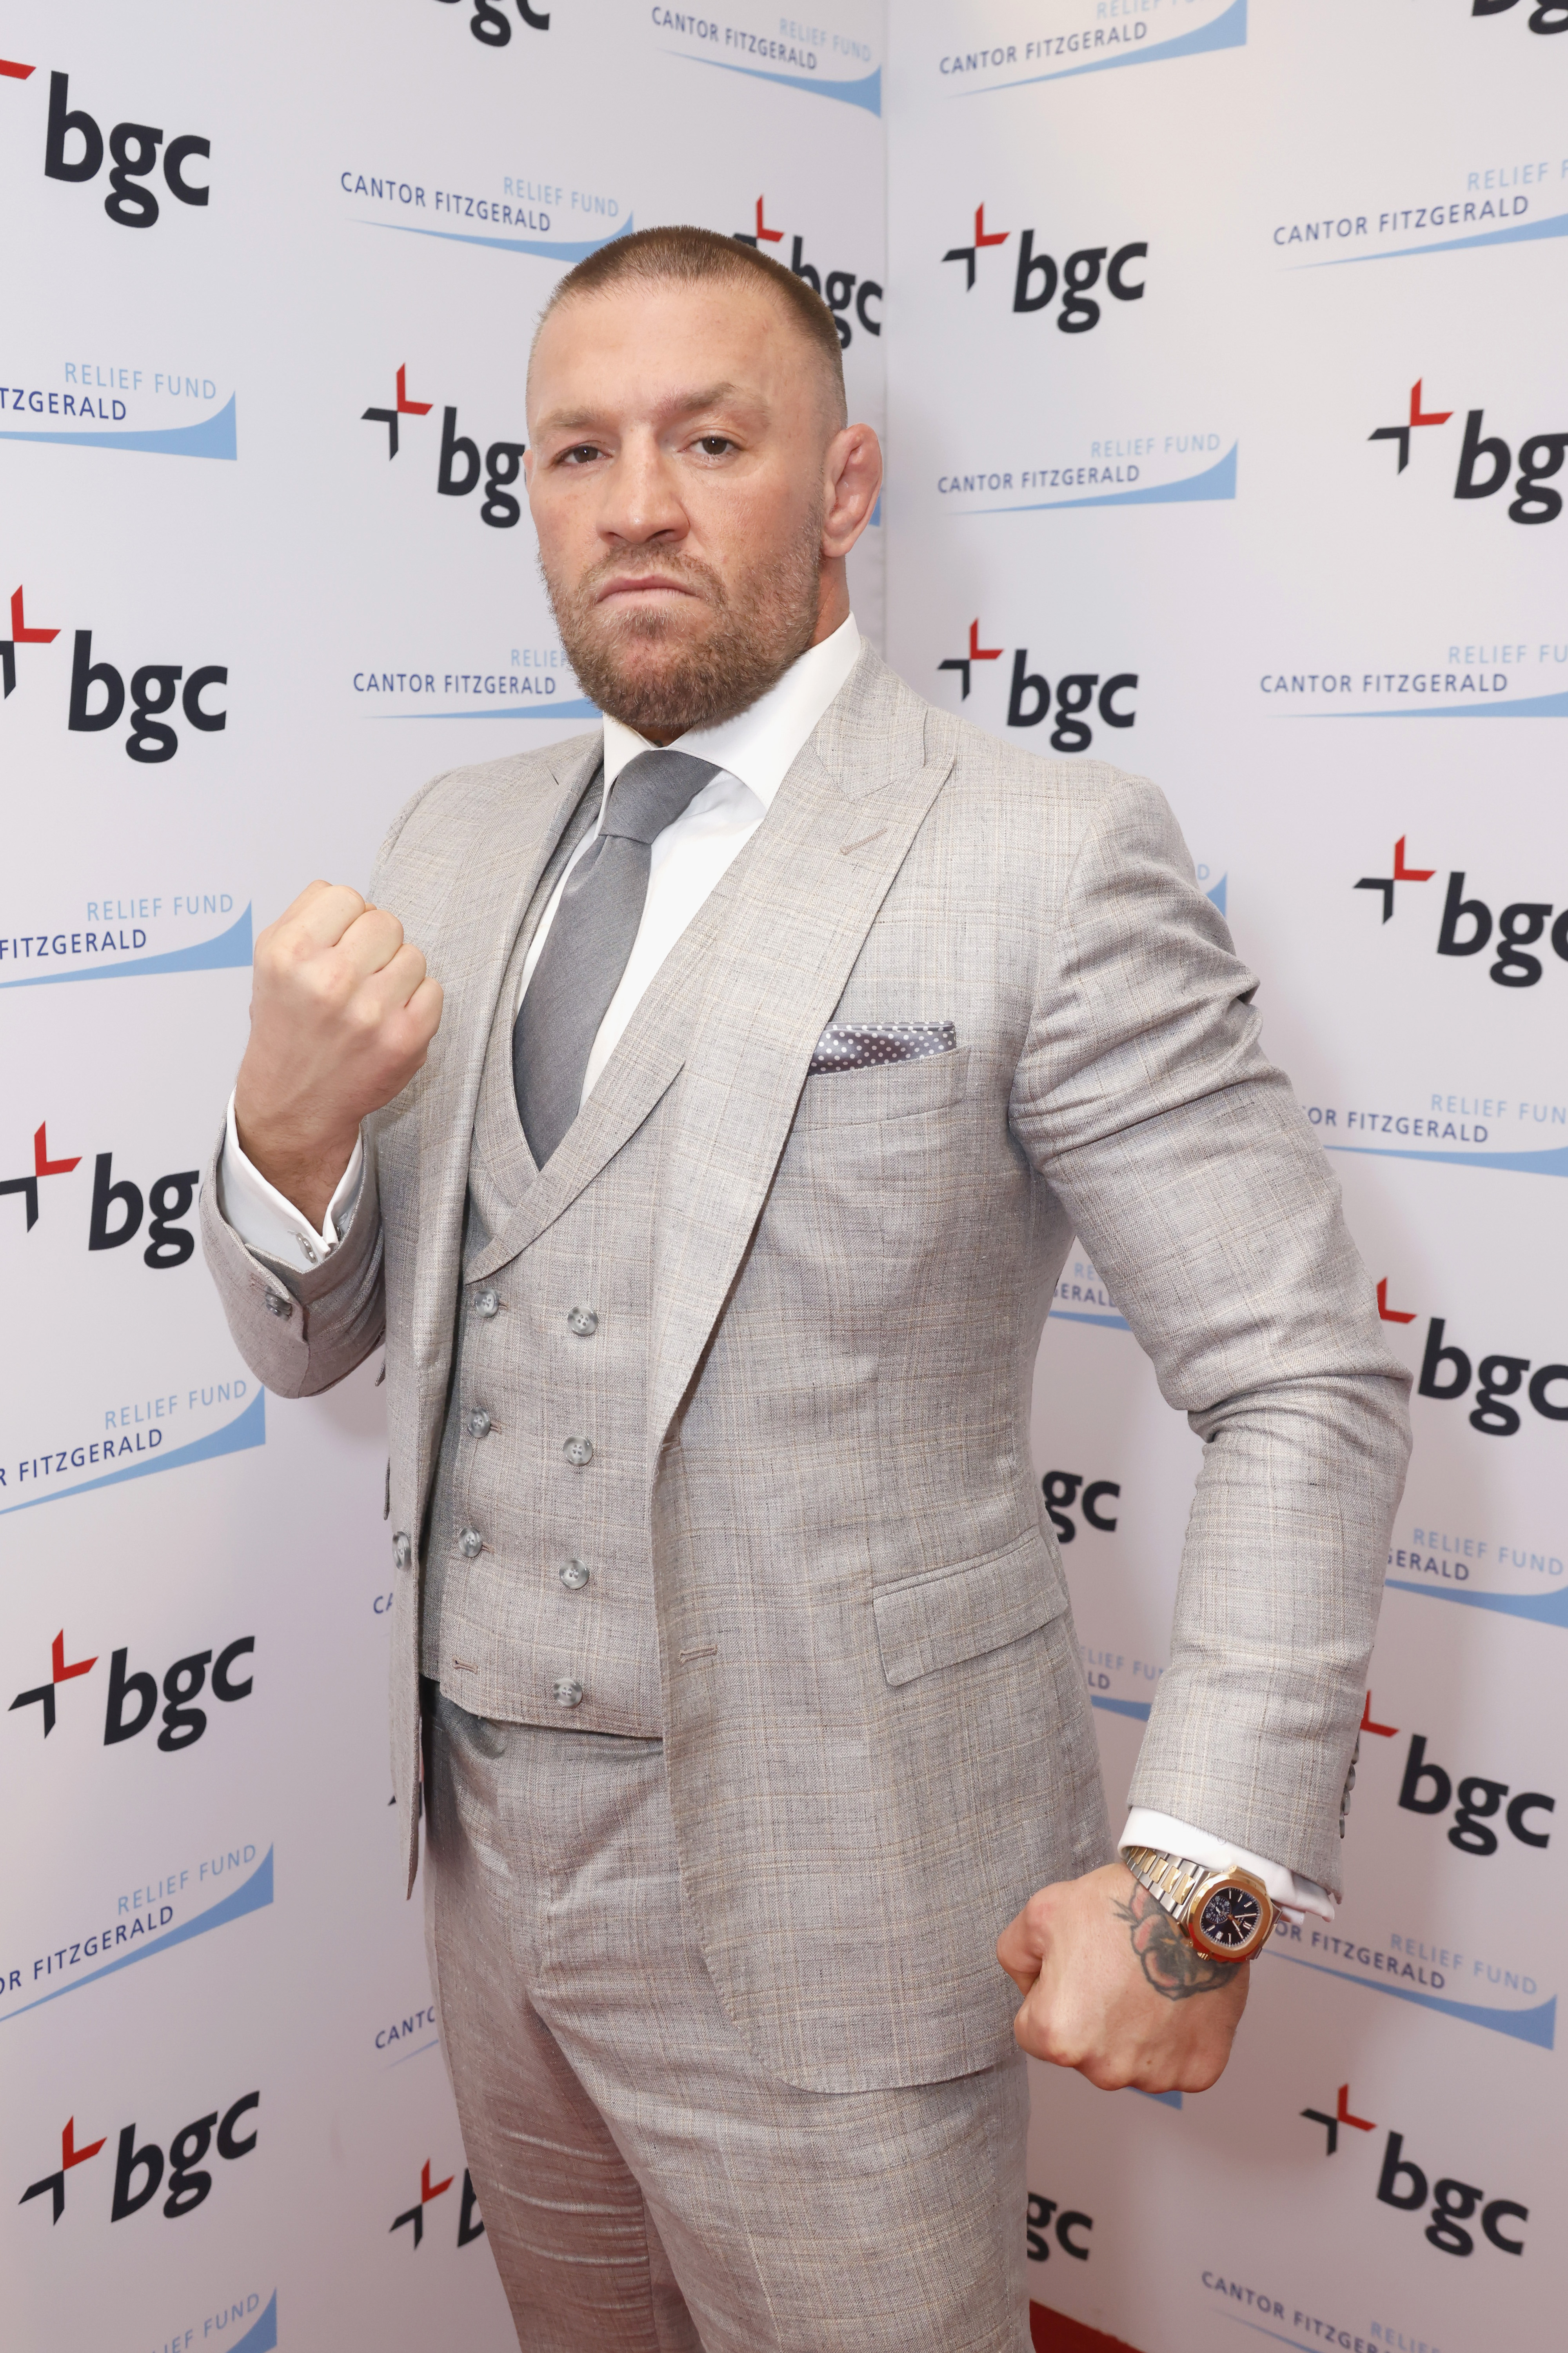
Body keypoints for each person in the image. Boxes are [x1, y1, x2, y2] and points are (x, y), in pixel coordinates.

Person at [203, 226, 1410, 2352]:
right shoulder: (449, 838)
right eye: (579, 451)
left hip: (844, 1908)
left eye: (711, 441)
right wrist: (284, 1136)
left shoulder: (1043, 854)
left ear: (843, 486)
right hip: (482, 1883)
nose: (636, 505)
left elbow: (1302, 1378)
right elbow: (317, 1345)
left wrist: (1201, 1881)